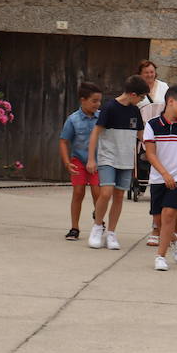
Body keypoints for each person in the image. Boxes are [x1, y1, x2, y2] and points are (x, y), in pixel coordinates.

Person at [86, 75, 150, 250]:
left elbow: (141, 136)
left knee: (119, 196)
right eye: (141, 97)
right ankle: (97, 226)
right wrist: (91, 158)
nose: (141, 101)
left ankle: (111, 233)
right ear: (132, 94)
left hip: (126, 160)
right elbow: (95, 133)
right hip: (108, 158)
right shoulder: (109, 108)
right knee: (105, 193)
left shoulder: (135, 111)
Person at [143, 85, 177, 272]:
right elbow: (150, 154)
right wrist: (165, 174)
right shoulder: (152, 125)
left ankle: (160, 256)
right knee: (159, 221)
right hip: (159, 177)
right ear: (171, 102)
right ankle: (173, 238)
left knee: (169, 215)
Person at [59, 82, 103, 240]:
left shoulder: (102, 117)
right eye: (94, 101)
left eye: (99, 101)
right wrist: (66, 162)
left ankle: (98, 220)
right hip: (78, 161)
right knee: (78, 192)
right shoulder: (73, 120)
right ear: (82, 100)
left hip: (97, 162)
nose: (97, 104)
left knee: (98, 194)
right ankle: (74, 228)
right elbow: (64, 141)